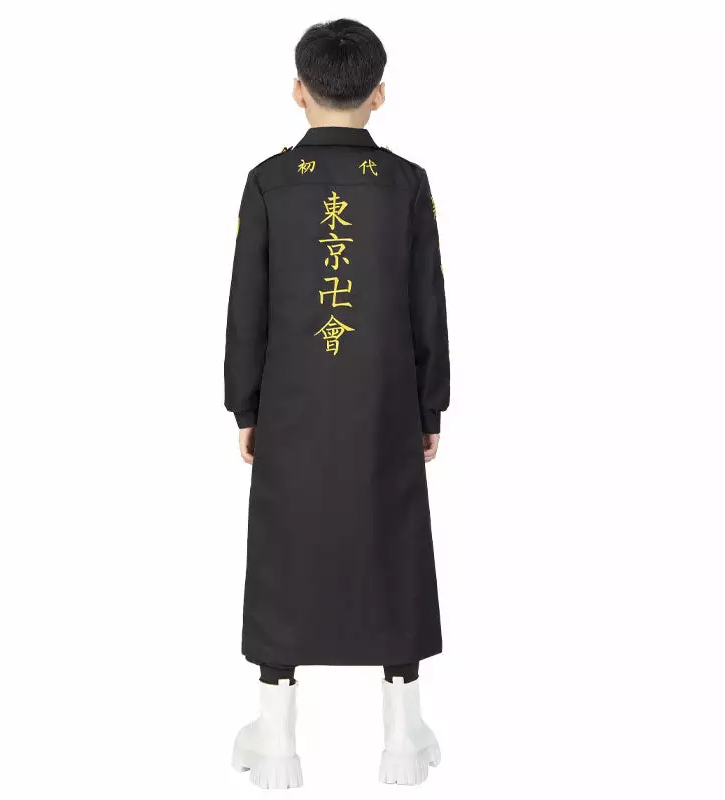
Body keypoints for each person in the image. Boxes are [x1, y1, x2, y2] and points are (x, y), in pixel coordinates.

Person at [224, 18, 449, 788]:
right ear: (378, 94)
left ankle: (276, 737)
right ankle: (402, 732)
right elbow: (427, 303)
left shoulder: (270, 181)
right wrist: (429, 406)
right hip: (386, 402)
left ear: (299, 91)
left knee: (286, 543)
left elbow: (247, 308)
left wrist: (245, 407)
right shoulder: (406, 183)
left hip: (291, 403)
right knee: (394, 539)